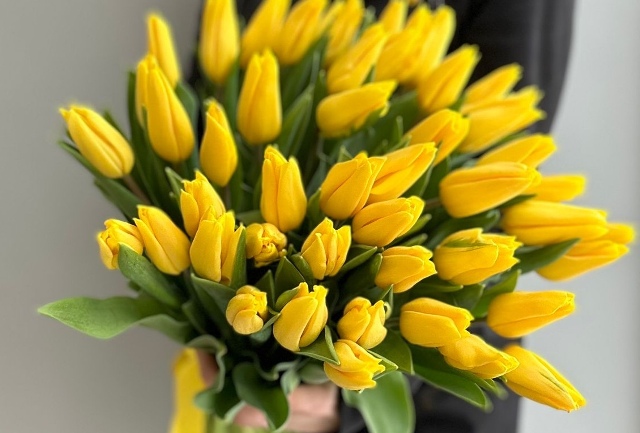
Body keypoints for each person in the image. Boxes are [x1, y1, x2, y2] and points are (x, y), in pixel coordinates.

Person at [194, 1, 576, 431]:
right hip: (250, 300)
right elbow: (207, 110)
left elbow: (498, 199)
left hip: (417, 407)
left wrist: (342, 409)